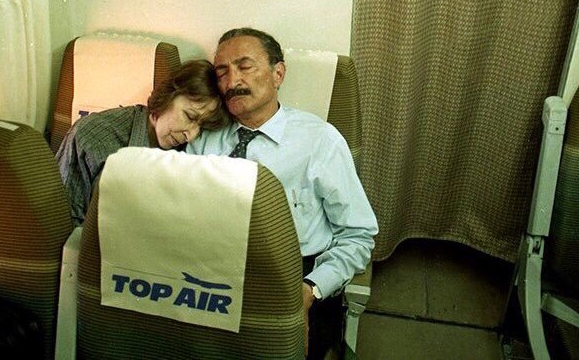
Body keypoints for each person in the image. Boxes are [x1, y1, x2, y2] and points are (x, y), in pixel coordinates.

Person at [187, 28, 378, 359]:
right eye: (222, 72)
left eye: (245, 66)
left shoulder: (320, 141)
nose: (232, 81)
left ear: (278, 74)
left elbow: (358, 236)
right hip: (214, 269)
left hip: (293, 275)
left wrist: (311, 289)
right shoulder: (203, 138)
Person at [56, 59, 228, 225]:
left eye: (201, 128)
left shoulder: (191, 154)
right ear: (168, 96)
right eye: (189, 116)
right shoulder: (93, 135)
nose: (190, 136)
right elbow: (64, 223)